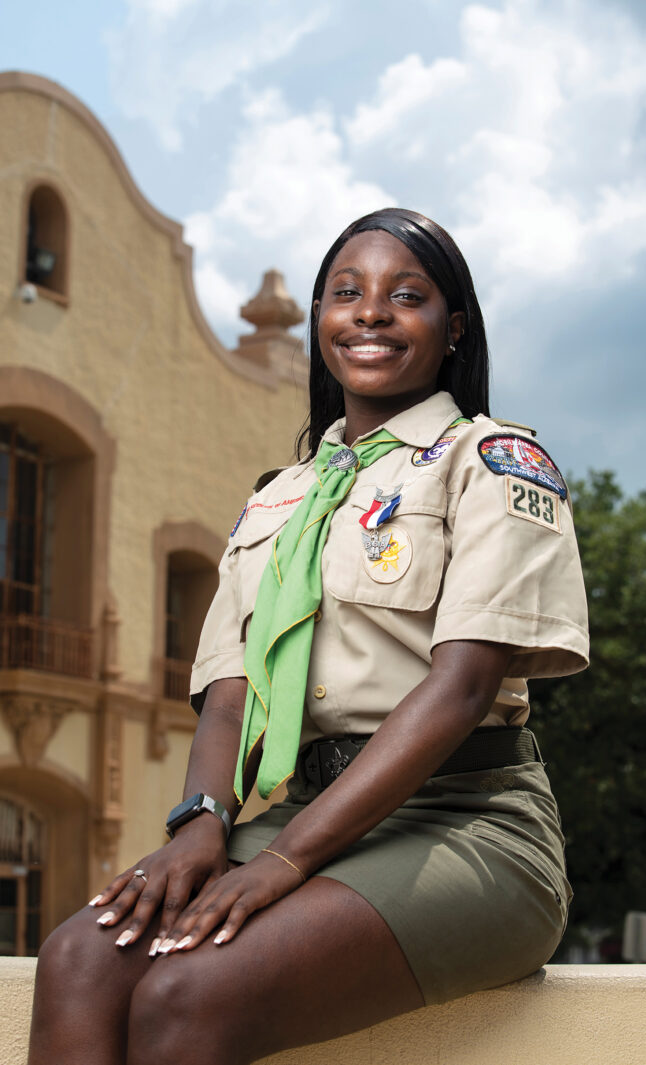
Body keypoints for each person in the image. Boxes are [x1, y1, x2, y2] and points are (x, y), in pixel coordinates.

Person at [29, 208, 589, 1065]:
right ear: (321, 322)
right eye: (345, 293)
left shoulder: (493, 461)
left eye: (406, 295)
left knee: (191, 991)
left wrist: (284, 862)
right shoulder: (278, 498)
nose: (370, 312)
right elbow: (229, 694)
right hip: (301, 816)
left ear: (453, 329)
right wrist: (204, 824)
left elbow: (461, 689)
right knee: (76, 958)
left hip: (466, 822)